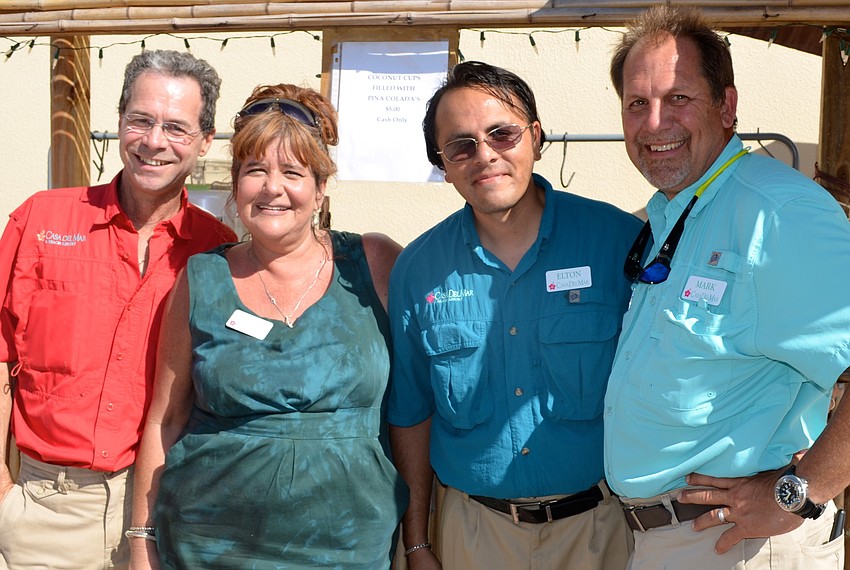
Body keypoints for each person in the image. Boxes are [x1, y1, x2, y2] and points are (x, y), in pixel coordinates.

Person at [603, 6, 850, 569]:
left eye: (678, 99)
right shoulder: (675, 213)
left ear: (727, 106)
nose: (654, 122)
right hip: (669, 541)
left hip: (739, 545)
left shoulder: (779, 213)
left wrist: (799, 494)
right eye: (637, 104)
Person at [128, 83, 408, 570]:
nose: (272, 187)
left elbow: (416, 407)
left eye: (293, 172)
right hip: (208, 546)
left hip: (350, 549)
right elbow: (165, 420)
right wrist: (139, 542)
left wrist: (419, 536)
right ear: (236, 185)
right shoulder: (202, 278)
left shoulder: (374, 263)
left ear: (320, 188)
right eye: (255, 170)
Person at [387, 60, 640, 570]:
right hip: (473, 535)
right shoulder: (419, 269)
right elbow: (410, 414)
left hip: (603, 530)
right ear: (443, 162)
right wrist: (417, 541)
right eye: (460, 146)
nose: (484, 156)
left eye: (501, 134)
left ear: (536, 137)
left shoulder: (617, 244)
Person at [0, 49, 235, 569]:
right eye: (141, 121)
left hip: (171, 508)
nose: (154, 142)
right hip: (48, 509)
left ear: (204, 141)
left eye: (176, 128)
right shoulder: (41, 219)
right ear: (120, 119)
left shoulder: (218, 251)